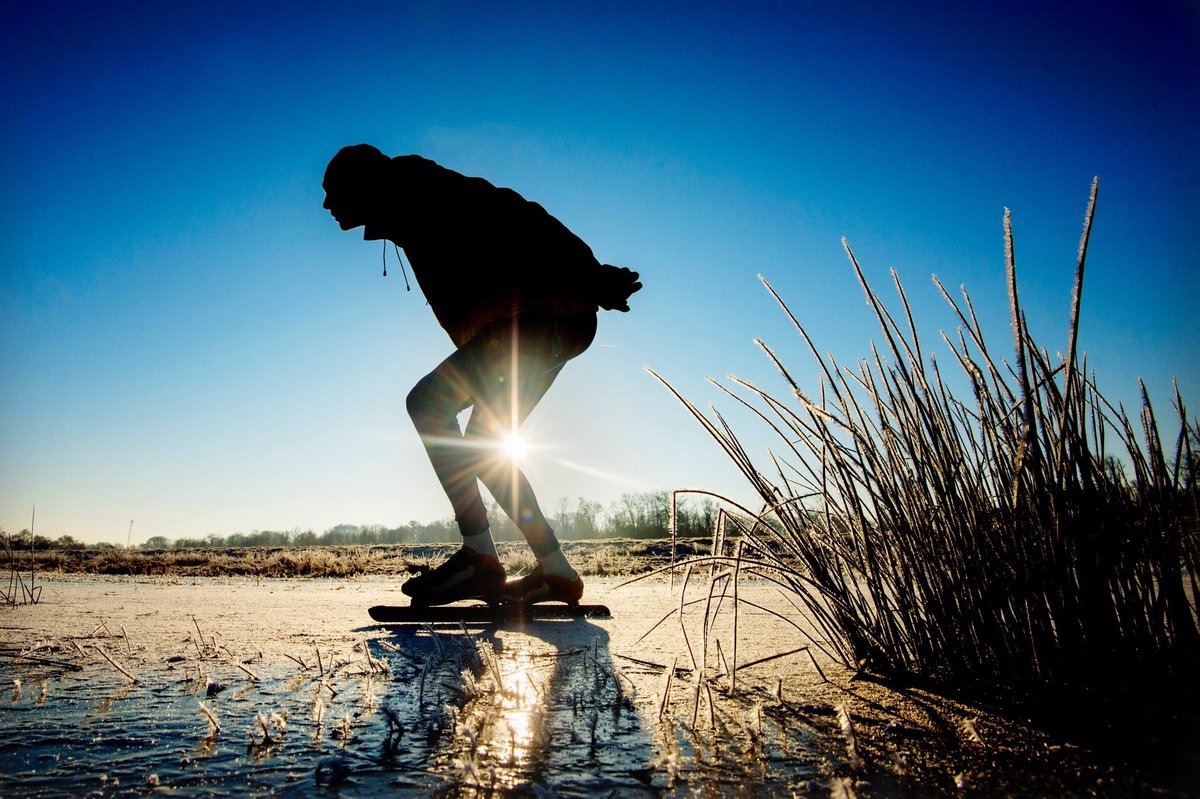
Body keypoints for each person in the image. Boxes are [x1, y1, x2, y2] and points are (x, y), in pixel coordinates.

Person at [322, 144, 641, 607]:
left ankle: (479, 559)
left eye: (334, 192)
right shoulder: (410, 206)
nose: (327, 206)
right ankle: (556, 571)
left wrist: (589, 276)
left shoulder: (422, 191)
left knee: (428, 403)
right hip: (549, 323)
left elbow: (516, 214)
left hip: (537, 319)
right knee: (483, 445)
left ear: (365, 185)